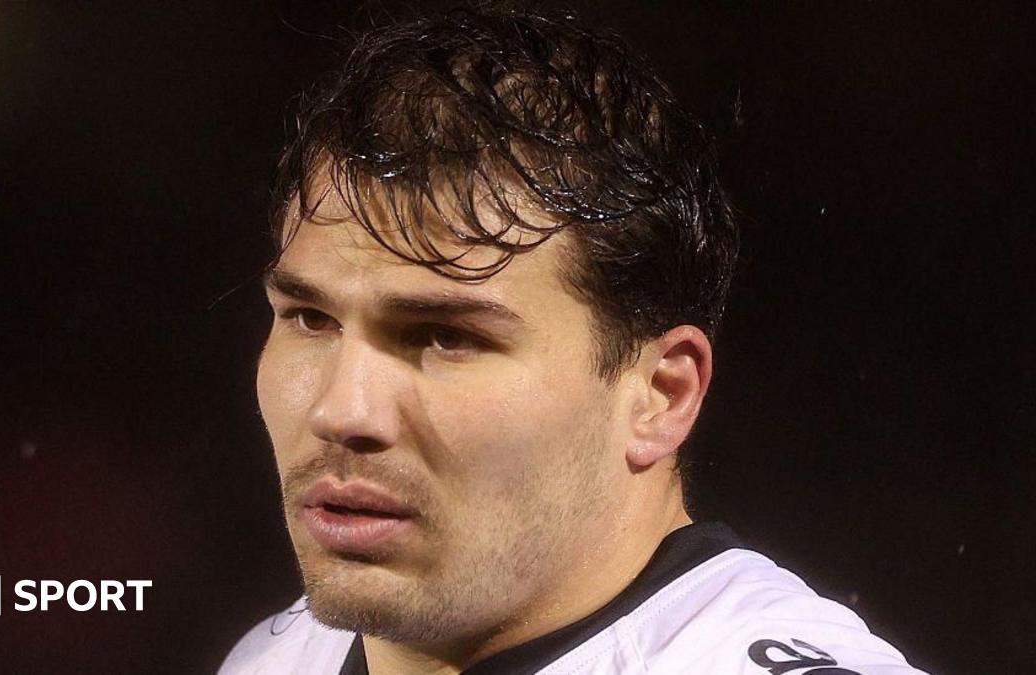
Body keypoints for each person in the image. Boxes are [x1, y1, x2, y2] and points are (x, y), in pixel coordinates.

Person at [219, 4, 928, 674]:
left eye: (444, 336)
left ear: (661, 395)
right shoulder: (273, 658)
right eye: (311, 319)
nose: (342, 411)